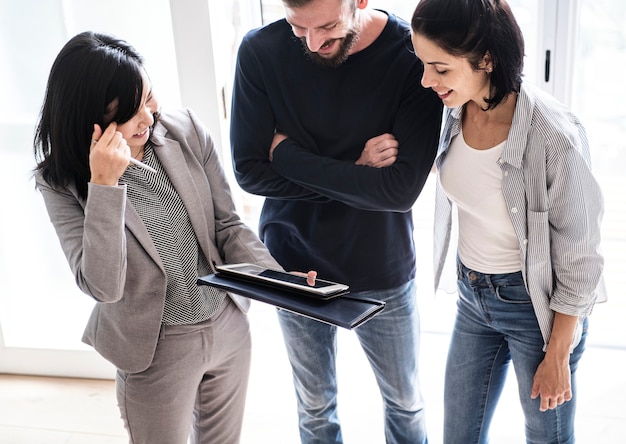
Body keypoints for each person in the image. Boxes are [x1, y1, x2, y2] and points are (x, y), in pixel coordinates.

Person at [32, 31, 301, 444]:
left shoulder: (186, 131)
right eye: (129, 112)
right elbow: (103, 286)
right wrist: (105, 185)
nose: (148, 117)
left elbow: (227, 226)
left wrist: (283, 283)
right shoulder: (61, 183)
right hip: (155, 350)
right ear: (91, 120)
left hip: (228, 325)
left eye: (148, 97)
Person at [230, 0, 443, 442]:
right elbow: (250, 170)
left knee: (405, 402)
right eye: (297, 27)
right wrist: (359, 170)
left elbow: (400, 191)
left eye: (327, 25)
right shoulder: (259, 52)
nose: (313, 42)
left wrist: (286, 155)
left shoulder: (410, 55)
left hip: (380, 263)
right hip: (293, 264)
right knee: (314, 408)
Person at [410, 0, 606, 443]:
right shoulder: (454, 108)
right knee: (459, 434)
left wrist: (558, 352)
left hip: (533, 309)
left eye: (439, 68)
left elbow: (582, 262)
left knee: (547, 437)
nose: (426, 81)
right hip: (472, 296)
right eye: (423, 65)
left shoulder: (555, 136)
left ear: (486, 59)